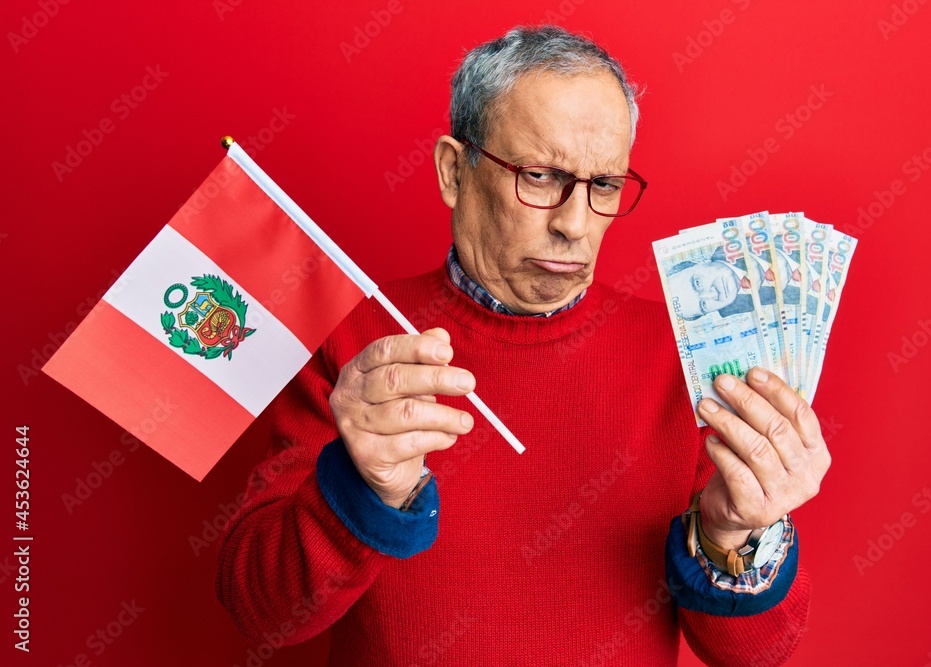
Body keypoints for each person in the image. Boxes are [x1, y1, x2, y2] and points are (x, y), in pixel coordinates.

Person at [216, 25, 830, 666]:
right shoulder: (359, 345)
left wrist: (738, 535)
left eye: (604, 186)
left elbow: (754, 655)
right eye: (540, 176)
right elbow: (262, 616)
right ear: (455, 171)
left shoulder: (689, 357)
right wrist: (360, 489)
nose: (574, 223)